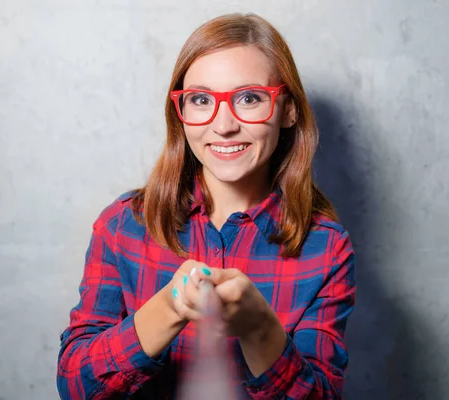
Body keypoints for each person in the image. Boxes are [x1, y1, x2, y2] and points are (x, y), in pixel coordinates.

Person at [57, 12, 356, 400]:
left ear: (288, 110)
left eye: (249, 98)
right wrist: (168, 308)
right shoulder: (123, 226)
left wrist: (260, 329)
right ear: (181, 114)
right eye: (200, 100)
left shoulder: (326, 249)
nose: (223, 125)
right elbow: (77, 386)